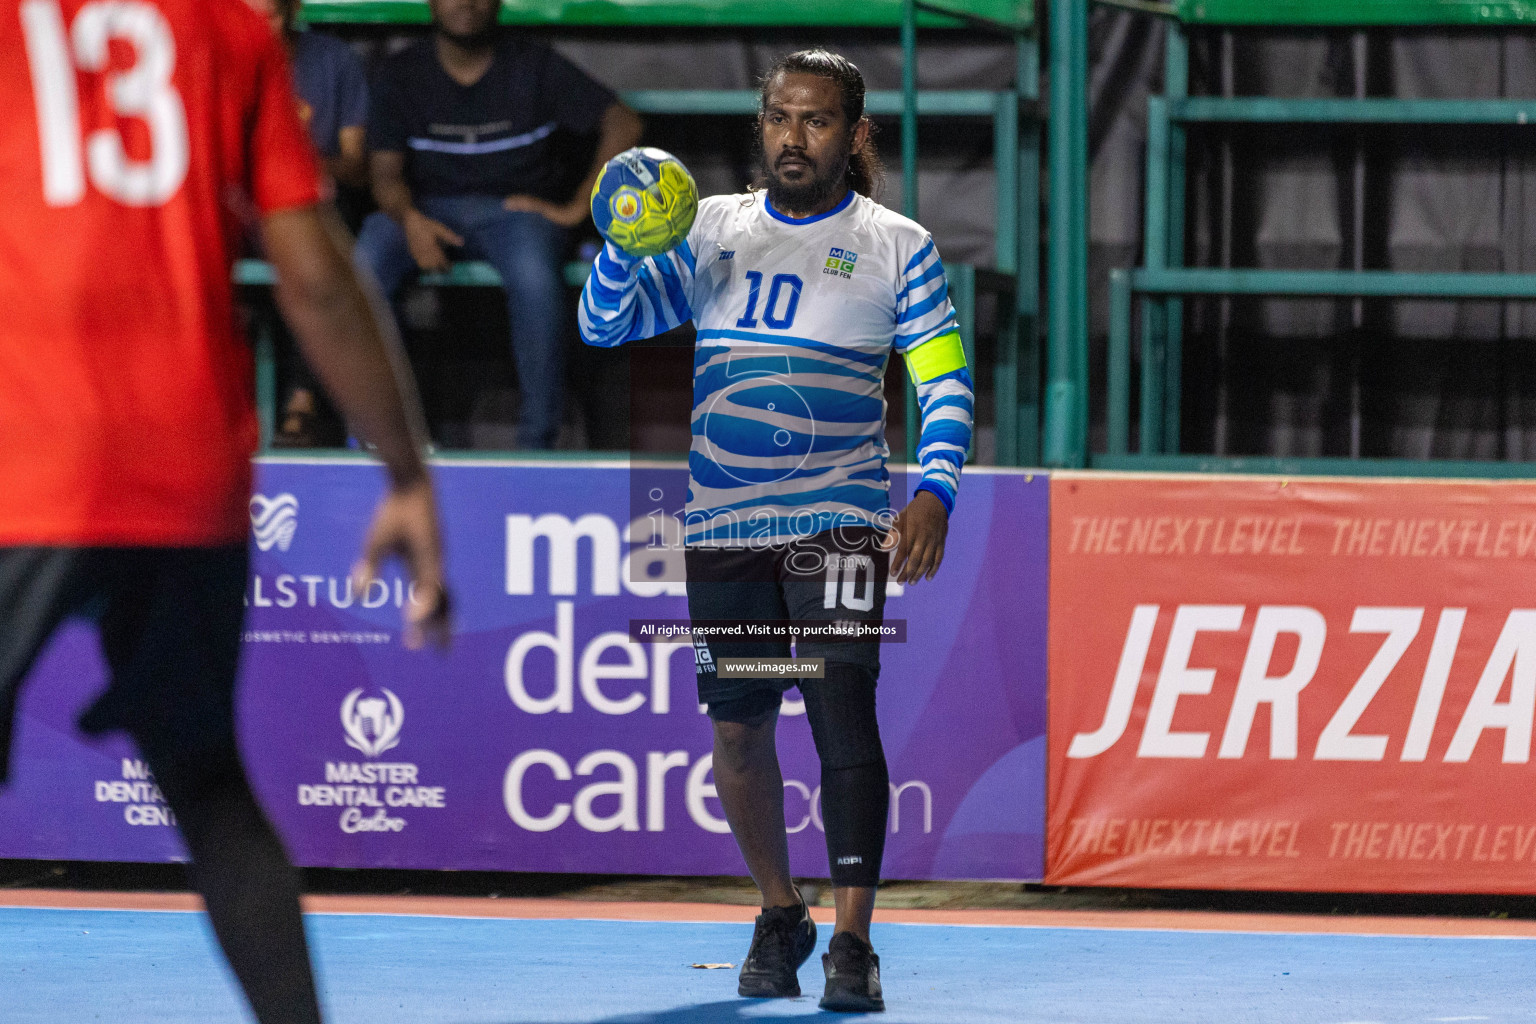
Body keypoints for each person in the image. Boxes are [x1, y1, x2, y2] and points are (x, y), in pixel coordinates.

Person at [2, 3, 450, 1023]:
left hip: (20, 463)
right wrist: (407, 473)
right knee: (210, 788)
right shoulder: (231, 32)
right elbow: (317, 277)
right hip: (185, 468)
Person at [579, 49, 973, 1014]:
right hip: (724, 523)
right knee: (740, 727)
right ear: (761, 128)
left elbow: (946, 379)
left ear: (855, 135)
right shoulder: (710, 228)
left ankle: (851, 942)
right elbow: (602, 329)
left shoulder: (897, 244)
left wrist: (934, 491)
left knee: (843, 712)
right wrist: (622, 253)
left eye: (818, 120)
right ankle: (778, 912)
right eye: (780, 119)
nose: (795, 137)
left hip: (837, 523)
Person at [359, 0, 643, 449]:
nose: (465, 3)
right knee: (367, 260)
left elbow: (624, 123)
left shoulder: (534, 64)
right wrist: (410, 219)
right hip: (425, 210)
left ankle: (535, 446)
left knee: (535, 278)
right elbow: (385, 176)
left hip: (513, 215)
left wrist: (576, 208)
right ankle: (378, 440)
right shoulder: (402, 72)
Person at [251, 0, 371, 447]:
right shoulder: (215, 57)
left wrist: (292, 167)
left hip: (308, 210)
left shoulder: (333, 62)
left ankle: (304, 401)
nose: (264, 24)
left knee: (319, 237)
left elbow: (357, 166)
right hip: (240, 210)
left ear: (295, 10)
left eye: (276, 13)